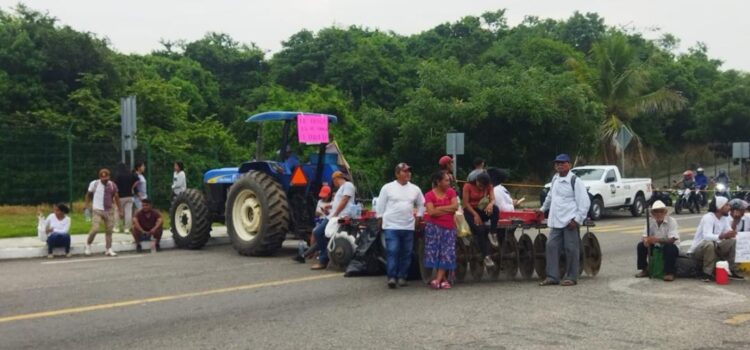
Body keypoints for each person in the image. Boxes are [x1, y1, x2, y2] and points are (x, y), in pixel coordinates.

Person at [538, 154, 590, 286]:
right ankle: (552, 277)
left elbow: (584, 202)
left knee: (570, 249)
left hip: (569, 221)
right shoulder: (555, 179)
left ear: (569, 165)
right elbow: (550, 197)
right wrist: (542, 210)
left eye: (563, 163)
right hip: (556, 221)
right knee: (551, 246)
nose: (559, 165)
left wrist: (577, 220)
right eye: (557, 163)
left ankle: (572, 277)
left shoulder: (575, 181)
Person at [376, 163, 425, 289]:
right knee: (392, 250)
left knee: (406, 252)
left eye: (409, 171)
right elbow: (380, 205)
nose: (408, 173)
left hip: (408, 225)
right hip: (391, 225)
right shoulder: (387, 188)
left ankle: (402, 276)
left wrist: (419, 216)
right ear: (397, 174)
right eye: (404, 171)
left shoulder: (415, 189)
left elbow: (421, 204)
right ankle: (392, 277)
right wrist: (379, 218)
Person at [688, 196, 742, 282]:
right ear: (719, 207)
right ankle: (706, 273)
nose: (729, 207)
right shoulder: (708, 217)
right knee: (709, 243)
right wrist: (722, 236)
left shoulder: (724, 218)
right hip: (699, 250)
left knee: (733, 241)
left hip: (714, 248)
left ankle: (732, 270)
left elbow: (730, 233)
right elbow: (706, 236)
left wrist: (735, 221)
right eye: (726, 205)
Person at [309, 171, 356, 270]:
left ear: (336, 178)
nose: (333, 183)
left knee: (318, 232)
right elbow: (337, 202)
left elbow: (344, 200)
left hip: (340, 217)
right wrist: (328, 206)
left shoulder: (348, 185)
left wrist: (335, 214)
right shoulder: (341, 189)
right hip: (333, 215)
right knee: (320, 233)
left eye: (333, 180)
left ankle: (323, 259)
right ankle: (327, 257)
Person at [423, 171, 458, 290]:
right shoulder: (429, 195)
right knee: (436, 252)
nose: (449, 183)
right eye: (446, 180)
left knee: (446, 252)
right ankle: (443, 280)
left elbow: (455, 207)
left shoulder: (451, 192)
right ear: (438, 182)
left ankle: (437, 280)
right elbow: (431, 212)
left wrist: (439, 208)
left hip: (448, 228)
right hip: (433, 228)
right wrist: (447, 210)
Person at [634, 200, 680, 281]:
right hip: (655, 245)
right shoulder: (650, 221)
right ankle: (645, 269)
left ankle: (669, 272)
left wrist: (657, 240)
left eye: (661, 211)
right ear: (653, 213)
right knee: (640, 246)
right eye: (656, 212)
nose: (659, 214)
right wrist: (646, 241)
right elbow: (644, 235)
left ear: (665, 212)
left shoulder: (671, 221)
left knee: (670, 247)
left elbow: (672, 239)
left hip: (669, 246)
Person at [462, 172, 499, 267]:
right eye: (480, 185)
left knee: (495, 209)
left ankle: (493, 233)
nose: (481, 188)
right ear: (476, 181)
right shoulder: (467, 186)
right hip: (470, 211)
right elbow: (465, 203)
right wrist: (475, 215)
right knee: (480, 230)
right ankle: (486, 256)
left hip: (481, 208)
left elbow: (493, 199)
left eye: (483, 187)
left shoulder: (489, 186)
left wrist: (490, 204)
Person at [85, 168, 122, 257]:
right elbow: (88, 194)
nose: (105, 180)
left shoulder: (112, 185)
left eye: (106, 178)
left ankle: (108, 249)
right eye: (103, 178)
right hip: (97, 209)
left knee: (109, 231)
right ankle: (88, 244)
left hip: (109, 210)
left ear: (109, 177)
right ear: (99, 177)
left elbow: (116, 197)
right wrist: (86, 205)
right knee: (95, 229)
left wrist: (120, 209)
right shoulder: (94, 184)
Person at [114, 162, 139, 234]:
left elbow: (114, 185)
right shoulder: (130, 174)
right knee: (128, 212)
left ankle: (116, 228)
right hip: (129, 195)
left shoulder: (118, 175)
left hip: (120, 196)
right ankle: (127, 229)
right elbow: (137, 180)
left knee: (117, 211)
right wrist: (132, 187)